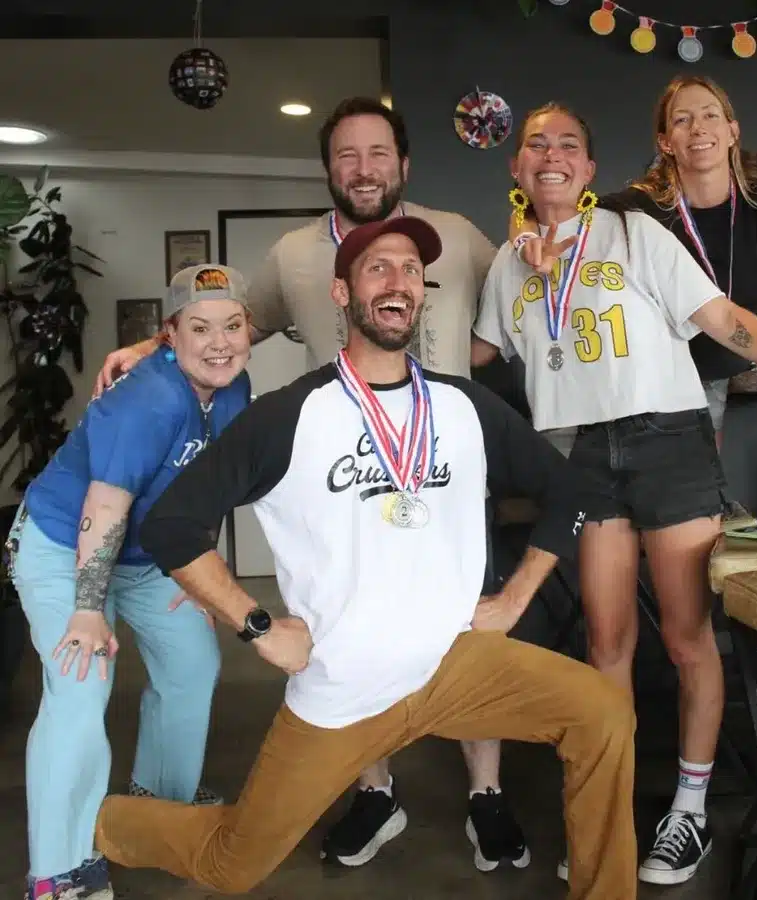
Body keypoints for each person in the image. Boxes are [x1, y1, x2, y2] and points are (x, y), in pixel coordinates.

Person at [91, 216, 639, 900]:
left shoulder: (464, 405)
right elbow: (171, 525)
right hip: (344, 687)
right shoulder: (291, 414)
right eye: (378, 268)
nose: (398, 281)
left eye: (411, 269)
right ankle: (100, 824)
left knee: (602, 713)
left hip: (452, 663)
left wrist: (515, 596)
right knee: (233, 864)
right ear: (342, 293)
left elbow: (573, 492)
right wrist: (257, 626)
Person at [91, 96, 531, 876]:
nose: (364, 169)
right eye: (346, 156)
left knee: (470, 628)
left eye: (378, 153)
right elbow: (233, 326)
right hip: (342, 483)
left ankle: (486, 793)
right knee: (343, 636)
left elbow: (519, 303)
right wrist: (153, 346)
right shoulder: (295, 254)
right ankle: (375, 792)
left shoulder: (457, 237)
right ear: (328, 169)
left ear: (404, 163)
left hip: (445, 476)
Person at [472, 102, 757, 887]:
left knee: (684, 637)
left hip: (668, 439)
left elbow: (722, 318)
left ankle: (689, 812)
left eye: (568, 144)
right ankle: (608, 808)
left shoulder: (633, 232)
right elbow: (476, 353)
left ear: (589, 168)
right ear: (516, 166)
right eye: (536, 144)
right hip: (580, 454)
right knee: (606, 643)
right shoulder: (506, 264)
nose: (551, 155)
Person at [9, 264, 253, 900]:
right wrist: (88, 609)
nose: (219, 343)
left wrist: (199, 575)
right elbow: (105, 506)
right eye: (200, 328)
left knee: (193, 661)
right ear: (170, 334)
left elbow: (210, 489)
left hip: (146, 557)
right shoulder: (149, 399)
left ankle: (158, 805)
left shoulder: (233, 389)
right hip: (67, 545)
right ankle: (58, 869)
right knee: (81, 681)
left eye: (232, 326)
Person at [513, 75, 757, 449]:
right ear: (665, 143)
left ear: (732, 131)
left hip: (747, 350)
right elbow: (541, 205)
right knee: (684, 470)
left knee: (702, 473)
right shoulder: (642, 205)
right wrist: (527, 239)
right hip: (667, 371)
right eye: (682, 120)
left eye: (710, 115)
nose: (698, 128)